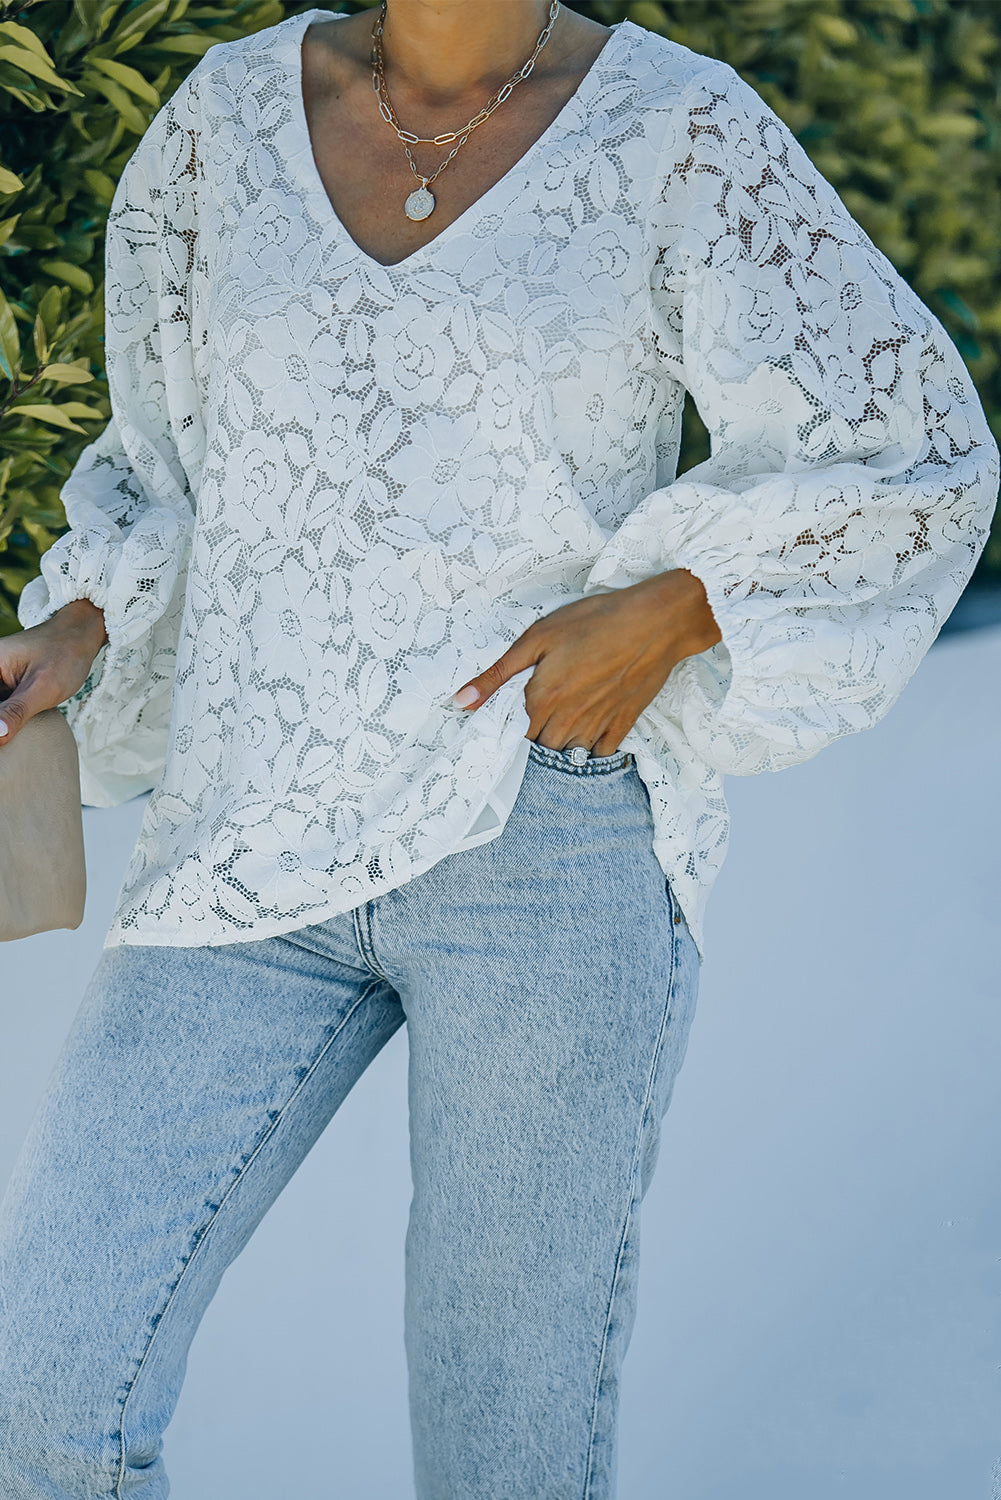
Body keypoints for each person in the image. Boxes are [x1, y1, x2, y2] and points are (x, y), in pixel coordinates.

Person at [0, 1, 996, 1495]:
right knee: (44, 1386)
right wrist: (83, 623)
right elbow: (165, 458)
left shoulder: (678, 126)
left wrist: (676, 608)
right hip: (247, 831)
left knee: (502, 1453)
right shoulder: (222, 118)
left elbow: (913, 449)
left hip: (546, 834)